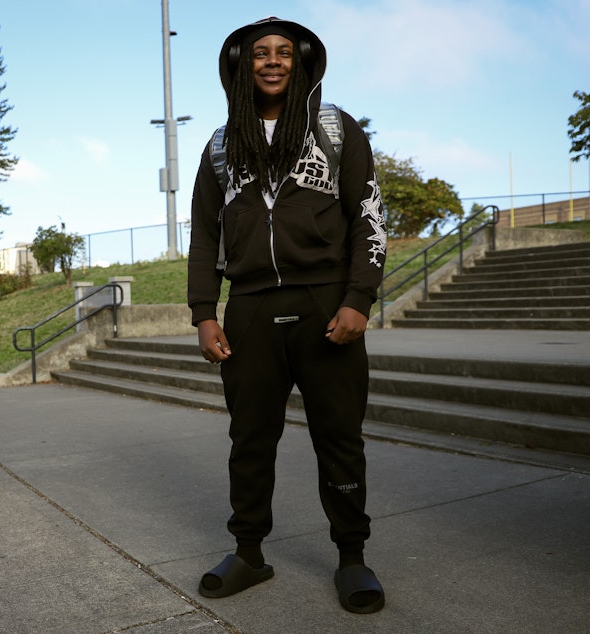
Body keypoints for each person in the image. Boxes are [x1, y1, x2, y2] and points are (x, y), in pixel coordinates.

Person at [187, 17, 387, 614]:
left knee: (339, 437)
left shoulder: (334, 129)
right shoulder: (222, 144)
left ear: (300, 61)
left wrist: (358, 298)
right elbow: (203, 234)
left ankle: (352, 557)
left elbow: (369, 217)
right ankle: (249, 551)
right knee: (249, 438)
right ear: (241, 65)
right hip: (248, 309)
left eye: (283, 53)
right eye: (259, 54)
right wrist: (204, 311)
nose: (272, 62)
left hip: (325, 304)